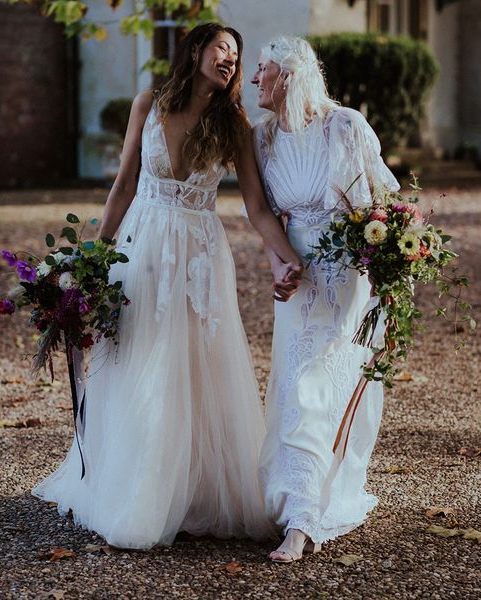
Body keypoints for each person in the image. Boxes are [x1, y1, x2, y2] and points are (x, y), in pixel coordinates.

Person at [32, 24, 302, 550]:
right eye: (221, 47)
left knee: (194, 361)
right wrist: (91, 258)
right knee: (137, 352)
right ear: (196, 50)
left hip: (199, 254)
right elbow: (124, 185)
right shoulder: (147, 104)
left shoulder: (235, 124)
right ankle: (136, 485)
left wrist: (288, 259)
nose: (230, 58)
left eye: (236, 53)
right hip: (143, 244)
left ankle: (191, 488)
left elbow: (257, 208)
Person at [250, 36, 400, 562]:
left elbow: (386, 203)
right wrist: (279, 267)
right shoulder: (262, 138)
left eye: (262, 70)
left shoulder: (346, 126)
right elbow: (267, 219)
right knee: (293, 387)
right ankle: (296, 498)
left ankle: (304, 517)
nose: (253, 81)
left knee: (321, 386)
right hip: (298, 277)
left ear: (288, 76)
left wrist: (388, 273)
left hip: (346, 276)